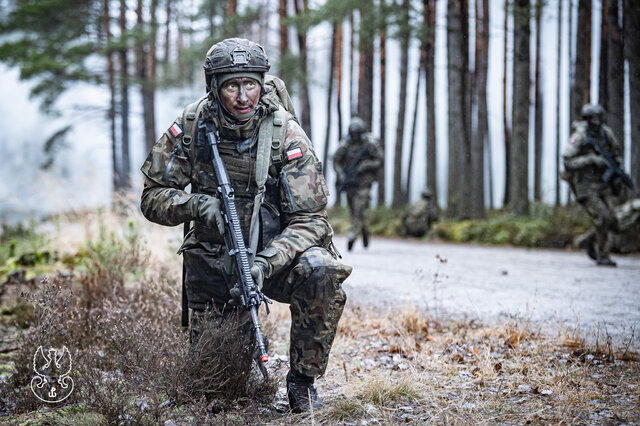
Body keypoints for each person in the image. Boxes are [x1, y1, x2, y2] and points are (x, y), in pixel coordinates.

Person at [139, 38, 352, 413]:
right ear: (214, 86)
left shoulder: (284, 133)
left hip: (275, 257)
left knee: (321, 270)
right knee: (216, 389)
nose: (242, 96)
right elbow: (152, 197)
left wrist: (266, 261)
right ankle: (249, 353)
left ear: (261, 82)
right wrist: (198, 205)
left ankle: (302, 381)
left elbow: (311, 219)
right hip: (213, 265)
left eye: (250, 84)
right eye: (231, 85)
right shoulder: (191, 126)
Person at [562, 104, 625, 267]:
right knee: (603, 216)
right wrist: (590, 160)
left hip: (604, 184)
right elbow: (567, 159)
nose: (596, 121)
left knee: (612, 219)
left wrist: (617, 171)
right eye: (593, 118)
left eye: (598, 118)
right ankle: (603, 256)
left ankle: (588, 240)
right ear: (587, 119)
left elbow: (616, 154)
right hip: (586, 186)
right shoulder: (580, 135)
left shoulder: (606, 134)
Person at [333, 117, 383, 251]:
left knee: (358, 209)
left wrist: (366, 165)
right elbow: (336, 161)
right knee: (354, 211)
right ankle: (364, 231)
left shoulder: (369, 144)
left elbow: (379, 160)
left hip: (364, 183)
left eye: (357, 133)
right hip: (350, 182)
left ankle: (352, 236)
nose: (355, 136)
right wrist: (341, 174)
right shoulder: (345, 145)